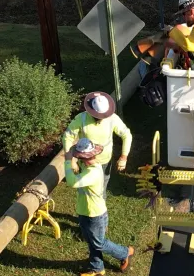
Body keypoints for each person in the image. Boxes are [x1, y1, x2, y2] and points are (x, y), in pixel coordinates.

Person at [64, 138, 135, 276]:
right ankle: (97, 268)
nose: (79, 158)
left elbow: (72, 182)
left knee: (98, 243)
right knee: (91, 240)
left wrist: (68, 161)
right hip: (84, 211)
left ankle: (125, 253)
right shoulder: (86, 165)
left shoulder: (93, 172)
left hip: (95, 214)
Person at [62, 91, 132, 200]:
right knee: (83, 187)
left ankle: (99, 211)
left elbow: (126, 135)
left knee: (101, 188)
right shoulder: (81, 118)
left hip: (105, 162)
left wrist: (124, 157)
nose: (101, 118)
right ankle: (85, 209)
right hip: (85, 162)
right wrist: (71, 160)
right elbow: (68, 136)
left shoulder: (112, 118)